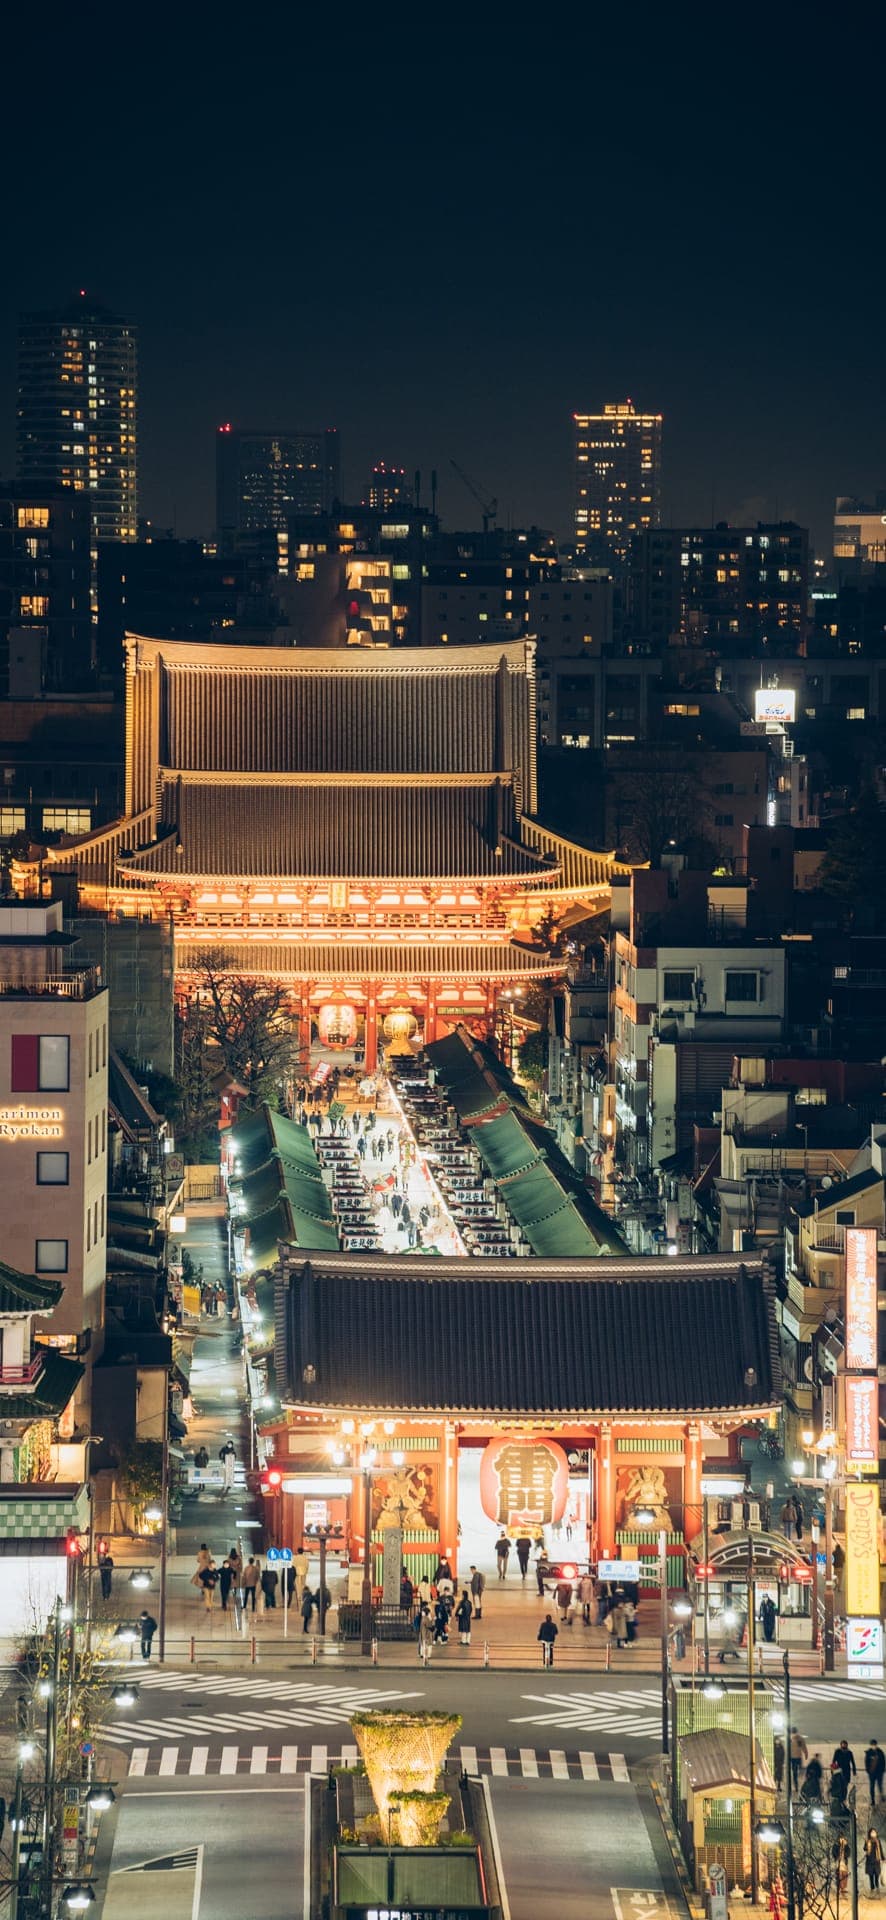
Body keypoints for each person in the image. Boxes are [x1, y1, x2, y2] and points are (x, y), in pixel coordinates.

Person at [865, 1739, 886, 1806]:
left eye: (874, 1744)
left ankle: (882, 1797)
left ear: (876, 1744)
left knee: (880, 1785)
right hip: (872, 1773)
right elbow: (866, 1762)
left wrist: (882, 1770)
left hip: (879, 1773)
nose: (873, 1746)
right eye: (872, 1744)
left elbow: (883, 1761)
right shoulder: (868, 1752)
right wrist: (868, 1770)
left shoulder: (880, 1752)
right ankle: (872, 1800)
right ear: (871, 1745)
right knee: (872, 1786)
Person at [790, 1729, 808, 1794]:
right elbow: (803, 1747)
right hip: (798, 1757)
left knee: (795, 1773)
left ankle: (796, 1786)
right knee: (799, 1771)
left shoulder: (790, 1739)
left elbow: (787, 1749)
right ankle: (797, 1785)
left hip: (792, 1758)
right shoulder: (800, 1738)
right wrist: (806, 1753)